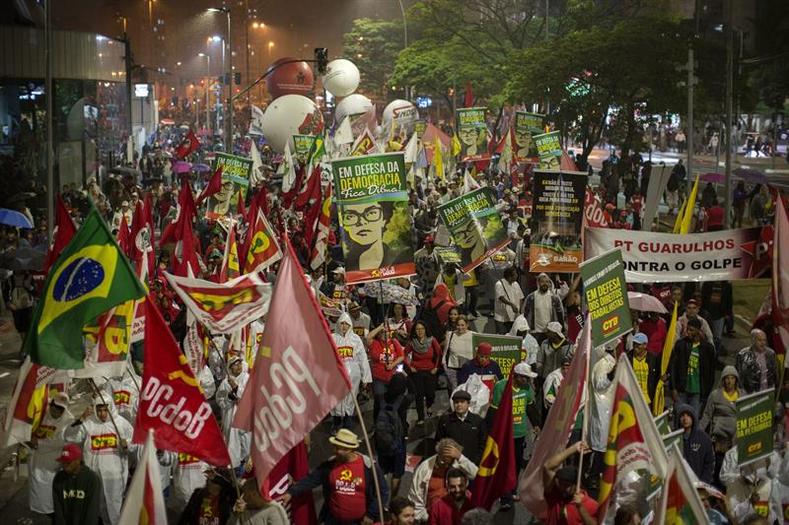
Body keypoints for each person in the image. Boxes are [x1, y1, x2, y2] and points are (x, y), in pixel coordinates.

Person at [282, 429, 388, 525]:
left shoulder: (369, 467)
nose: (335, 451)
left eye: (339, 448)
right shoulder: (330, 465)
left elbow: (382, 492)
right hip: (333, 520)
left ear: (350, 449)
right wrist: (292, 492)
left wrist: (370, 515)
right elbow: (311, 479)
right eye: (335, 447)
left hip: (359, 522)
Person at [64, 398, 134, 525]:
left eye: (105, 410)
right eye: (99, 410)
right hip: (94, 474)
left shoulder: (121, 424)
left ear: (110, 408)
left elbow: (135, 444)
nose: (102, 414)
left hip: (114, 475)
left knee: (114, 506)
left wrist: (127, 444)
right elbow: (69, 436)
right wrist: (80, 419)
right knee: (97, 506)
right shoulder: (88, 423)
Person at [488, 362, 540, 510]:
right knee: (505, 465)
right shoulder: (501, 386)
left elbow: (530, 407)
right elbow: (494, 411)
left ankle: (512, 489)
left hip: (520, 434)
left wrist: (537, 424)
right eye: (526, 378)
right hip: (505, 434)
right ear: (516, 376)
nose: (528, 381)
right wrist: (491, 433)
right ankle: (505, 497)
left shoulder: (527, 388)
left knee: (516, 464)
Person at [408, 439, 478, 522]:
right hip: (431, 516)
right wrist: (428, 517)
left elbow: (478, 477)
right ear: (438, 455)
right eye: (444, 461)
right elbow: (415, 498)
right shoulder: (424, 468)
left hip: (459, 515)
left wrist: (460, 457)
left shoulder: (459, 463)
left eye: (450, 461)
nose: (446, 465)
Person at [29, 393, 72, 516]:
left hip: (52, 464)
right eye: (55, 406)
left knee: (51, 497)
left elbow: (60, 441)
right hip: (36, 460)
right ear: (51, 404)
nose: (56, 411)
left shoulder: (68, 421)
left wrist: (38, 442)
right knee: (38, 493)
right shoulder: (42, 413)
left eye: (60, 409)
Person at [331, 312, 372, 432]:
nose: (344, 326)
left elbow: (362, 358)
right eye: (342, 323)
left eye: (346, 324)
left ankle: (348, 419)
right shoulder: (332, 338)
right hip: (336, 375)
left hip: (353, 375)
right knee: (336, 398)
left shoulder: (356, 339)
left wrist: (366, 378)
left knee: (351, 397)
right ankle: (336, 421)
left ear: (350, 325)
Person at [669, 318, 716, 417]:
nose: (688, 332)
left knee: (693, 420)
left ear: (698, 331)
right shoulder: (680, 345)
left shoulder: (707, 349)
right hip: (682, 389)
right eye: (687, 329)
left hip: (697, 392)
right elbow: (673, 367)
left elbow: (711, 373)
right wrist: (673, 388)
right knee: (680, 418)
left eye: (691, 330)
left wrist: (706, 392)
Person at [542, 441, 598, 524]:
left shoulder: (591, 505)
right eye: (561, 483)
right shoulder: (554, 493)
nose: (562, 487)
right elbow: (547, 467)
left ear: (576, 485)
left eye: (567, 485)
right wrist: (574, 448)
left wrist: (580, 507)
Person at [52, 443, 101, 525]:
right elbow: (58, 510)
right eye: (63, 462)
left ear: (78, 460)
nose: (64, 466)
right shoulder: (59, 478)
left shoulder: (91, 479)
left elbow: (92, 511)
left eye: (68, 463)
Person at [216, 356, 251, 468]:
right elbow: (219, 400)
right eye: (236, 364)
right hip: (230, 418)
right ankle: (234, 471)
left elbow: (249, 396)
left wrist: (236, 387)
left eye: (240, 363)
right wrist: (228, 397)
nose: (239, 365)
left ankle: (246, 470)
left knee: (247, 445)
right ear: (230, 367)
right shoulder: (225, 382)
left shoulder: (247, 378)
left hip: (245, 419)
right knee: (232, 446)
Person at [435, 390, 487, 465]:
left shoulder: (478, 421)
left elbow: (483, 444)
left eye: (462, 402)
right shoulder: (445, 421)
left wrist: (476, 462)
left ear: (468, 404)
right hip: (451, 464)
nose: (459, 405)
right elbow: (438, 441)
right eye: (456, 402)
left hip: (472, 464)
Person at [406, 320, 443, 424]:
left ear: (425, 330)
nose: (420, 331)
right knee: (419, 395)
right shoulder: (412, 342)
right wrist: (410, 366)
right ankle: (421, 417)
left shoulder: (432, 340)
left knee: (430, 393)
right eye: (417, 329)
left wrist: (436, 367)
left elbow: (439, 354)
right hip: (417, 372)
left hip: (430, 371)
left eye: (422, 329)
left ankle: (429, 405)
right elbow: (403, 355)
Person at [367, 324, 405, 420]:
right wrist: (380, 327)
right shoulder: (374, 343)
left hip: (392, 378)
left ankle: (390, 422)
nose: (385, 334)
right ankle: (378, 424)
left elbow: (401, 356)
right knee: (380, 402)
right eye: (383, 332)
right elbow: (368, 337)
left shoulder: (394, 342)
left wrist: (392, 364)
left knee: (391, 401)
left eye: (387, 332)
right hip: (379, 378)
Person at [699, 366, 743, 439]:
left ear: (736, 380)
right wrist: (698, 434)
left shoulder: (742, 395)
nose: (730, 381)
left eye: (732, 378)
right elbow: (707, 415)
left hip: (738, 435)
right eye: (727, 378)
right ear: (723, 379)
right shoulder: (715, 395)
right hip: (719, 434)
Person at [676, 404, 715, 484]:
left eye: (688, 415)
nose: (685, 418)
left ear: (693, 418)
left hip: (700, 484)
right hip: (679, 484)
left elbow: (709, 463)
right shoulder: (673, 438)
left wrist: (703, 482)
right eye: (682, 415)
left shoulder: (703, 438)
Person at [523, 273, 565, 342]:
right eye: (542, 281)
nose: (544, 284)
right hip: (535, 332)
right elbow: (525, 314)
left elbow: (560, 314)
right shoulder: (531, 297)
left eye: (547, 282)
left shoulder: (555, 298)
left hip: (550, 332)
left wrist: (561, 330)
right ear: (538, 283)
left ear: (549, 283)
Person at [735, 328, 778, 395]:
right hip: (748, 394)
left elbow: (775, 374)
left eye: (764, 340)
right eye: (760, 340)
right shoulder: (742, 354)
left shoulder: (771, 354)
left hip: (767, 392)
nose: (763, 343)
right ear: (753, 340)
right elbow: (738, 375)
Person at [627, 332, 660, 410]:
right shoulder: (628, 357)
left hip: (647, 400)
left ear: (645, 345)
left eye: (638, 344)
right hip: (632, 399)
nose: (635, 347)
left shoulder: (653, 359)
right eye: (634, 344)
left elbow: (656, 377)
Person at [443, 315, 474, 392]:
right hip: (453, 369)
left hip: (468, 369)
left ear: (467, 325)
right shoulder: (450, 334)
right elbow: (445, 352)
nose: (460, 327)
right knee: (456, 392)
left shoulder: (474, 335)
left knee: (467, 391)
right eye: (458, 325)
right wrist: (445, 367)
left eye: (462, 325)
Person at [494, 266, 523, 334]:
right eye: (515, 274)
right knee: (501, 335)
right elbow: (501, 297)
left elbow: (521, 297)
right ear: (510, 276)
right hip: (502, 316)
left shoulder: (516, 284)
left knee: (512, 334)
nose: (517, 275)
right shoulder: (499, 284)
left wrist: (520, 310)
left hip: (514, 315)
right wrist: (511, 304)